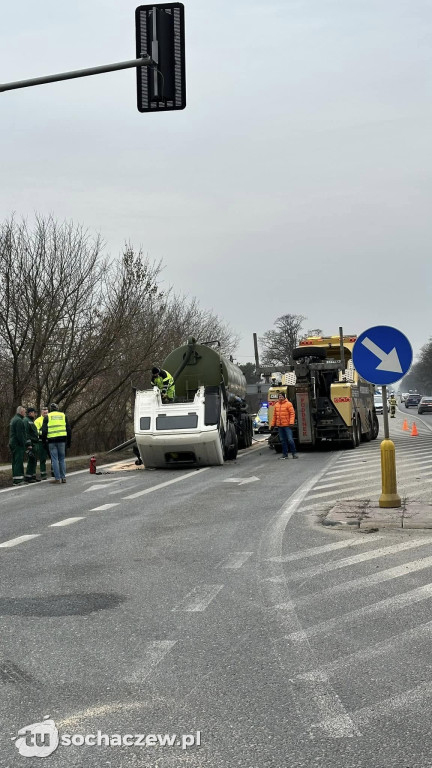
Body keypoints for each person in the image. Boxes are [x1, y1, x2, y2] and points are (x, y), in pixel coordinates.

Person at [42, 403, 72, 484]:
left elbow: (44, 431)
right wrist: (69, 441)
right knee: (62, 459)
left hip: (52, 441)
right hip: (62, 440)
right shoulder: (63, 415)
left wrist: (44, 442)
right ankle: (64, 477)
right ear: (57, 409)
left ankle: (57, 478)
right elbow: (68, 429)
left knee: (54, 459)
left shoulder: (47, 417)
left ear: (50, 409)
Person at [270, 391, 298, 460]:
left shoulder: (288, 404)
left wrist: (291, 423)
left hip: (287, 426)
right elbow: (275, 416)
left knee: (290, 440)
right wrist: (272, 425)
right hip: (280, 426)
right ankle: (285, 455)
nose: (280, 398)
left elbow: (292, 414)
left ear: (284, 397)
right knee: (283, 441)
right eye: (279, 397)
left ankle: (294, 454)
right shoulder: (276, 405)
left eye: (281, 396)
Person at [9, 405, 27, 485]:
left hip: (13, 443)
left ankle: (16, 478)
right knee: (18, 461)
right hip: (17, 444)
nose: (25, 413)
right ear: (21, 412)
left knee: (15, 461)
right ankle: (18, 480)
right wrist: (23, 444)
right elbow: (20, 434)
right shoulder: (19, 420)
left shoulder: (14, 419)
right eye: (24, 412)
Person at [23, 407, 41, 483]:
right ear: (30, 413)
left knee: (34, 460)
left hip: (35, 444)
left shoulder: (31, 421)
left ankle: (32, 476)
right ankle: (28, 477)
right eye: (34, 412)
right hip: (32, 444)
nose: (35, 414)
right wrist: (29, 444)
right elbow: (26, 433)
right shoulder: (26, 421)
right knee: (31, 460)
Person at [34, 405, 49, 480]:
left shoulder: (51, 419)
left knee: (54, 458)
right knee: (42, 458)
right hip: (41, 441)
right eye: (44, 412)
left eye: (47, 412)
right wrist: (44, 433)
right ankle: (43, 474)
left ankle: (54, 472)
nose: (45, 413)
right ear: (41, 412)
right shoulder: (37, 420)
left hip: (50, 440)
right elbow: (36, 431)